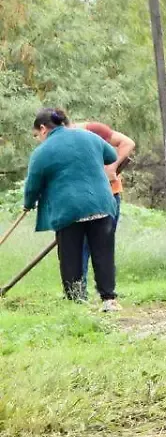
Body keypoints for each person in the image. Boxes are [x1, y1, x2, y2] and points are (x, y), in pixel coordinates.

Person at [22, 108, 120, 311]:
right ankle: (108, 299)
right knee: (103, 253)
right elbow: (111, 155)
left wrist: (28, 204)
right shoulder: (88, 136)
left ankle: (77, 302)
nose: (37, 140)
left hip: (69, 210)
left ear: (43, 129)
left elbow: (33, 185)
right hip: (101, 204)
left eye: (36, 136)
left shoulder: (43, 151)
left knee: (70, 257)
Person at [77, 120, 135, 293]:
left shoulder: (91, 130)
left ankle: (107, 294)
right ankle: (79, 294)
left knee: (102, 246)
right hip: (80, 199)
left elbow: (127, 142)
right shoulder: (57, 142)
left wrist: (112, 167)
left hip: (108, 195)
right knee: (79, 247)